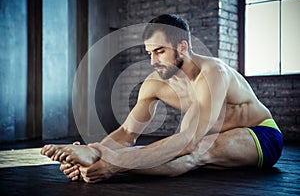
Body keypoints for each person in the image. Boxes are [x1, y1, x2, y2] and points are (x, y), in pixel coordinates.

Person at [41, 14, 283, 183]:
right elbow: (127, 134)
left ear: (182, 47)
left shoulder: (212, 74)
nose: (153, 61)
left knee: (197, 150)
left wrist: (110, 161)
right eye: (149, 53)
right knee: (184, 149)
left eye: (159, 51)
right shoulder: (155, 83)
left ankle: (111, 166)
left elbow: (188, 141)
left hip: (260, 135)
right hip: (212, 136)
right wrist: (96, 152)